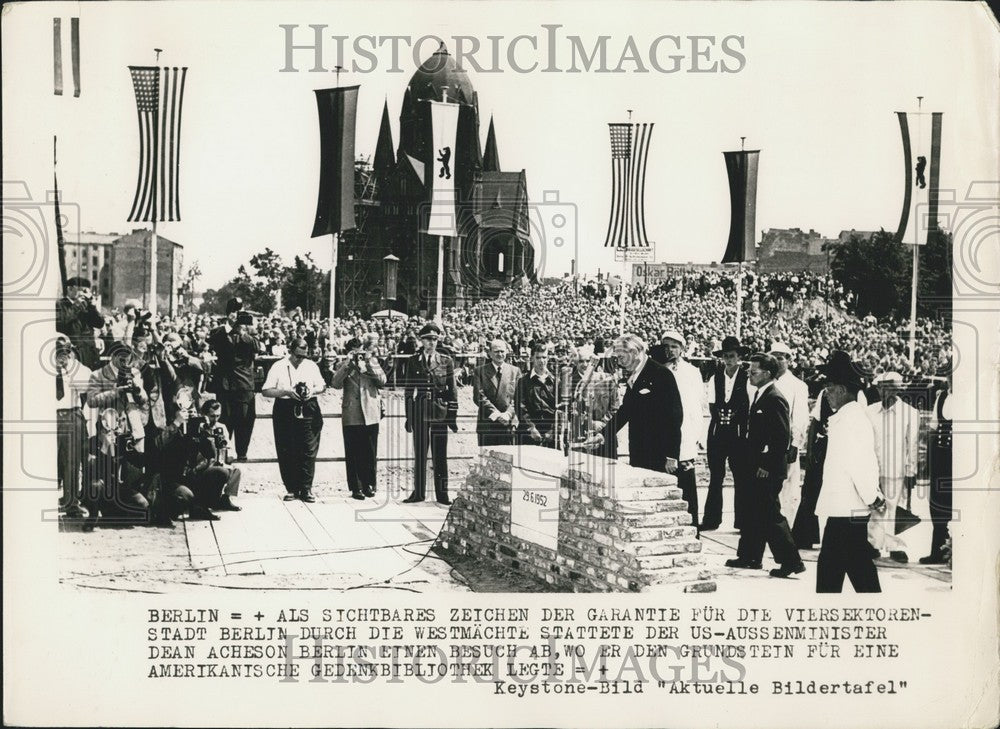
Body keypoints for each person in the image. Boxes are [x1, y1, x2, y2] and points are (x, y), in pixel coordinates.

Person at [727, 353, 805, 578]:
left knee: (770, 514)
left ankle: (792, 561)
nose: (749, 375)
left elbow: (781, 438)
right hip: (754, 465)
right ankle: (750, 556)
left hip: (767, 468)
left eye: (753, 372)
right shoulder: (761, 395)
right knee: (752, 511)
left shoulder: (774, 397)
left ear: (767, 374)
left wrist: (768, 466)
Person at [814, 350, 884, 593]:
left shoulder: (853, 420)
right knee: (852, 564)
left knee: (837, 566)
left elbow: (862, 463)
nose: (826, 394)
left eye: (829, 388)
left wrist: (872, 496)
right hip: (844, 507)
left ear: (842, 390)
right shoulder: (845, 418)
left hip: (849, 507)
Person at [589, 334, 682, 474]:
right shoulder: (634, 375)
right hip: (639, 450)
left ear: (633, 352)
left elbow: (675, 416)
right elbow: (625, 411)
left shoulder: (661, 374)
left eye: (621, 357)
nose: (619, 362)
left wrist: (672, 455)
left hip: (659, 453)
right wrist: (602, 435)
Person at [262, 337, 326, 502]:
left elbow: (322, 386)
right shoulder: (279, 366)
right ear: (290, 351)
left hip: (309, 407)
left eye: (304, 356)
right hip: (285, 408)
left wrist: (311, 391)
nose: (301, 360)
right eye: (298, 356)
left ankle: (306, 488)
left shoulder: (311, 366)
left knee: (308, 449)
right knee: (287, 448)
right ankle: (291, 488)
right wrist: (286, 392)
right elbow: (266, 391)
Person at [402, 323, 459, 505]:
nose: (431, 343)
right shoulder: (413, 360)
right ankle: (419, 493)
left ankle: (442, 495)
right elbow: (409, 390)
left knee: (440, 455)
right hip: (420, 410)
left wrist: (452, 415)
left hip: (439, 410)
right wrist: (409, 416)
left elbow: (453, 390)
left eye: (434, 339)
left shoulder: (445, 361)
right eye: (427, 339)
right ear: (421, 340)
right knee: (420, 453)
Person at [866, 371, 919, 563]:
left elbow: (912, 444)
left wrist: (911, 470)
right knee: (874, 506)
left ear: (897, 389)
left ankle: (895, 546)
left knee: (895, 506)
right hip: (872, 466)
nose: (883, 391)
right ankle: (873, 545)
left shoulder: (910, 413)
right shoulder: (869, 411)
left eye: (889, 387)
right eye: (881, 387)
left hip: (896, 469)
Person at [702, 336, 751, 531]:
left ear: (739, 357)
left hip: (738, 432)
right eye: (725, 356)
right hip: (718, 431)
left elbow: (748, 404)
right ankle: (712, 519)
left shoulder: (747, 378)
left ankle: (742, 520)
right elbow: (713, 404)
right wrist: (721, 418)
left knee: (740, 475)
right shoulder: (716, 377)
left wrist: (736, 420)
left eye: (732, 356)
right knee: (716, 475)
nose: (728, 360)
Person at [331, 334, 387, 500]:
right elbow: (335, 383)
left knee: (370, 450)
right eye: (355, 353)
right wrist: (348, 364)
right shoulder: (343, 365)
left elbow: (383, 381)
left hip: (370, 411)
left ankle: (369, 484)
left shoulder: (372, 363)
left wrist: (368, 363)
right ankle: (356, 487)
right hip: (352, 412)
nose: (358, 356)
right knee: (353, 451)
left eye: (360, 352)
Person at [660, 331, 703, 526]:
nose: (670, 350)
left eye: (674, 346)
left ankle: (692, 528)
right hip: (663, 436)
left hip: (685, 435)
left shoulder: (692, 372)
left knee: (687, 487)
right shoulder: (658, 370)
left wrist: (694, 438)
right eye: (666, 346)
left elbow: (696, 407)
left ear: (682, 349)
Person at [208, 297, 259, 462]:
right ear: (228, 314)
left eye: (239, 312)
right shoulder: (220, 331)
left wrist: (242, 331)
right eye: (233, 312)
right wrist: (229, 328)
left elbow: (256, 346)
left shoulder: (249, 331)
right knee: (225, 418)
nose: (236, 315)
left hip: (244, 384)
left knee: (245, 419)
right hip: (225, 384)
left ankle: (242, 453)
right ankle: (224, 452)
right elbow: (213, 340)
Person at [769, 342, 810, 525]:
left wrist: (795, 444)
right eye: (774, 357)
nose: (777, 361)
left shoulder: (797, 385)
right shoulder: (766, 380)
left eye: (781, 357)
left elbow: (800, 417)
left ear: (789, 360)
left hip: (786, 444)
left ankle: (789, 528)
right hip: (767, 444)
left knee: (789, 490)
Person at [791, 387, 834, 549]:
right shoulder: (824, 392)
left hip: (843, 448)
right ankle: (804, 535)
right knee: (810, 490)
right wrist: (809, 451)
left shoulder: (859, 395)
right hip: (821, 448)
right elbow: (815, 422)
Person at [55, 337, 92, 519]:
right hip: (49, 415)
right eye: (59, 349)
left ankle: (71, 504)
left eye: (66, 349)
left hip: (71, 413)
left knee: (71, 462)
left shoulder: (76, 367)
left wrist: (68, 366)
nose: (63, 353)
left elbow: (86, 385)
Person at [566, 344, 619, 460]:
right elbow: (569, 410)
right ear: (576, 363)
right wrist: (590, 423)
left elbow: (615, 407)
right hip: (582, 438)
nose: (585, 365)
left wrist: (603, 423)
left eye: (588, 361)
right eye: (581, 361)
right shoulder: (569, 382)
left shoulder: (607, 379)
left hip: (606, 435)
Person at [921, 381, 952, 564]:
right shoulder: (942, 396)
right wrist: (929, 461)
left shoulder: (968, 397)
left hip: (960, 457)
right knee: (937, 503)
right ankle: (938, 550)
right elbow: (933, 429)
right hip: (941, 458)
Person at [471, 339, 520, 447]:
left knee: (508, 460)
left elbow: (519, 397)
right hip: (488, 423)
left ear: (507, 352)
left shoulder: (515, 371)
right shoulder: (480, 371)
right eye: (496, 351)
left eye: (502, 351)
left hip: (507, 423)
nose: (500, 354)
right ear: (490, 353)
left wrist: (508, 414)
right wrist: (496, 415)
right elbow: (478, 396)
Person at [200, 399, 242, 511]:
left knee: (236, 470)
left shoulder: (221, 427)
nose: (215, 419)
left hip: (219, 460)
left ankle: (225, 498)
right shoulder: (199, 427)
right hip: (204, 463)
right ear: (204, 414)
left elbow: (229, 446)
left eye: (218, 416)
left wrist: (230, 455)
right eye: (212, 416)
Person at [56, 276, 105, 369]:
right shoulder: (60, 304)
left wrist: (92, 307)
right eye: (82, 290)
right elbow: (61, 322)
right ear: (70, 289)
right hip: (73, 353)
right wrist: (76, 305)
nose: (85, 294)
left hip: (90, 355)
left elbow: (100, 323)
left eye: (87, 291)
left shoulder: (86, 306)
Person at [515, 345, 558, 448]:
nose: (541, 361)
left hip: (551, 432)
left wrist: (553, 430)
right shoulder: (523, 381)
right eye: (538, 358)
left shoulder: (556, 381)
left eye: (544, 357)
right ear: (532, 359)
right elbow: (520, 407)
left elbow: (560, 408)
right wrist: (531, 428)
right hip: (528, 431)